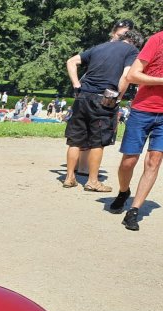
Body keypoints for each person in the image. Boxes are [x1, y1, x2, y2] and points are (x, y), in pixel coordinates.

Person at [62, 29, 142, 191]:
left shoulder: (99, 47)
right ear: (135, 43)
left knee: (75, 139)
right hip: (103, 98)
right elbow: (126, 76)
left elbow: (71, 61)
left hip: (83, 96)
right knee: (98, 141)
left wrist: (77, 85)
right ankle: (93, 181)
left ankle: (69, 177)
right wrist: (118, 98)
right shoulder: (132, 51)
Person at [114, 29, 163, 230]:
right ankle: (124, 191)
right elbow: (133, 75)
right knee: (129, 160)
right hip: (143, 110)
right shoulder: (157, 40)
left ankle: (133, 211)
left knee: (154, 160)